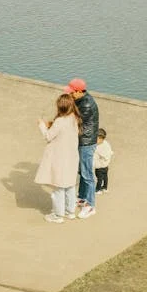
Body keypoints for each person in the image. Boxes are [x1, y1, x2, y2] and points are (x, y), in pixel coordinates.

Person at [34, 94, 82, 224]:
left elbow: (48, 136)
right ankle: (70, 211)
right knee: (70, 186)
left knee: (58, 188)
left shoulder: (60, 121)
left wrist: (42, 125)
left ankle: (58, 215)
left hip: (60, 158)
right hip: (72, 157)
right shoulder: (74, 118)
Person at [64, 78, 99, 219]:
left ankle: (90, 205)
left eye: (72, 92)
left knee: (87, 174)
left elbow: (73, 121)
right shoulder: (80, 99)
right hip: (83, 141)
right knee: (82, 172)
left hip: (86, 142)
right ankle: (82, 198)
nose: (70, 95)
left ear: (79, 91)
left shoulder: (86, 105)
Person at [94, 128, 113, 195]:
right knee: (105, 177)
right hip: (106, 166)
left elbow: (101, 154)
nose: (97, 141)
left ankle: (98, 189)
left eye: (97, 139)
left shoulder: (99, 147)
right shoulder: (106, 144)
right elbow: (110, 152)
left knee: (99, 179)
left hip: (100, 167)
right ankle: (105, 188)